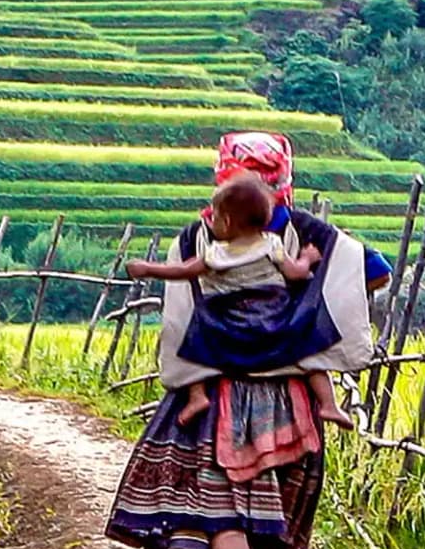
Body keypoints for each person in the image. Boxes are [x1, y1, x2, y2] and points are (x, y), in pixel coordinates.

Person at [103, 133, 391, 549]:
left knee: (225, 513)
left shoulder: (198, 240)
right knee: (281, 518)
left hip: (222, 399)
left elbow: (180, 314)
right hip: (296, 398)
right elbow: (373, 273)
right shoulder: (314, 237)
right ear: (286, 183)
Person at [126, 172, 323, 422]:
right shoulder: (272, 244)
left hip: (228, 321)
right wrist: (308, 258)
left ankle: (197, 395)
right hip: (273, 318)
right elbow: (296, 273)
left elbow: (183, 271)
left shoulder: (216, 253)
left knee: (194, 334)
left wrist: (147, 268)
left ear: (227, 222)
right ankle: (327, 402)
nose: (211, 222)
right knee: (308, 340)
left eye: (215, 217)